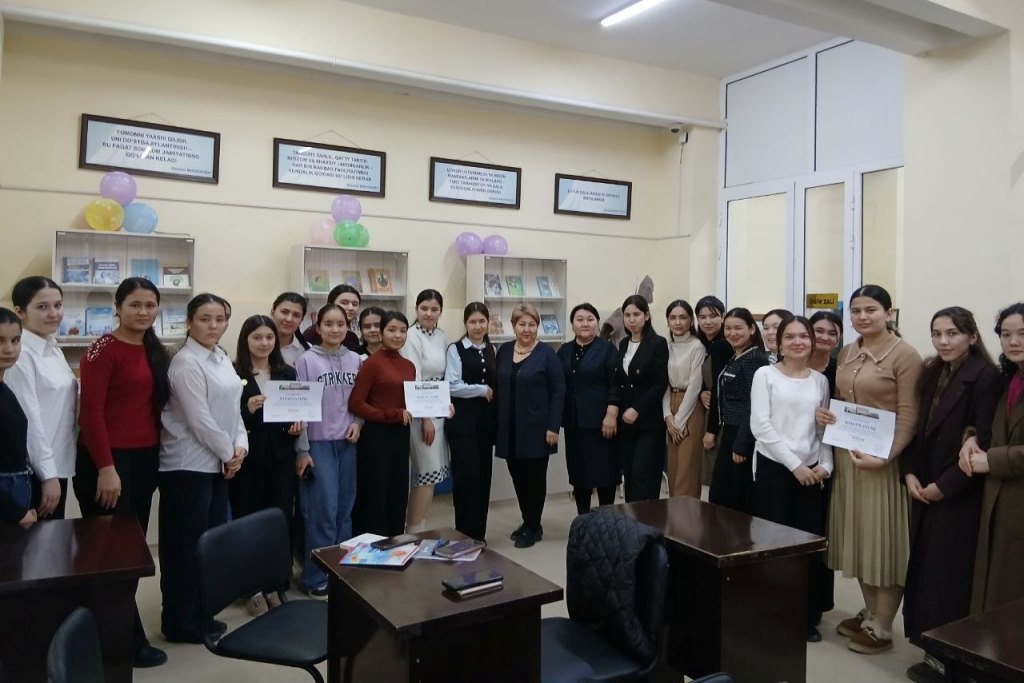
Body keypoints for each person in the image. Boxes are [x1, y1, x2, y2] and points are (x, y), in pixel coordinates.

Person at [817, 284, 922, 655]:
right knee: (858, 537)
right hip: (849, 458)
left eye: (871, 310)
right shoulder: (847, 351)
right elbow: (844, 399)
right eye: (856, 311)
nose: (862, 317)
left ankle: (884, 625)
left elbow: (909, 414)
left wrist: (887, 456)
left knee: (883, 541)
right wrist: (828, 414)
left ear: (888, 313)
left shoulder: (905, 355)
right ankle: (870, 612)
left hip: (882, 463)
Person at [74, 278, 170, 667]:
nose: (143, 312)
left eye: (150, 305)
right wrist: (106, 467)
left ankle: (121, 635)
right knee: (112, 556)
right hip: (108, 464)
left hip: (144, 460)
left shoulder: (155, 349)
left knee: (130, 553)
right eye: (134, 304)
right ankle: (119, 644)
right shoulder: (101, 350)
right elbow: (90, 415)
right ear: (118, 307)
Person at [901, 308, 999, 682]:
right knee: (924, 574)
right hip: (924, 486)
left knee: (948, 581)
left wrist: (944, 487)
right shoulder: (933, 371)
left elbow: (983, 441)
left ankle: (949, 660)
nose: (943, 341)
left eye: (952, 333)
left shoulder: (985, 377)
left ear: (972, 337)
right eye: (937, 333)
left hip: (958, 494)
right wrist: (909, 473)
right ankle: (931, 651)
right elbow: (917, 430)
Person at [158, 293, 247, 644]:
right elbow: (199, 419)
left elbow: (234, 410)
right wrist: (228, 453)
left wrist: (240, 448)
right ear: (189, 322)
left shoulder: (220, 357)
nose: (213, 325)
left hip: (218, 463)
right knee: (185, 547)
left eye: (220, 319)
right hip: (188, 466)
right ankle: (181, 622)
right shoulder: (185, 362)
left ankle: (201, 615)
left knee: (207, 545)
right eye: (205, 319)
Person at [750, 315, 832, 642]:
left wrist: (826, 465)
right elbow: (761, 426)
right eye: (790, 336)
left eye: (804, 336)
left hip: (811, 472)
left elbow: (824, 429)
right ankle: (774, 612)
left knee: (807, 547)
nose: (798, 342)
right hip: (775, 469)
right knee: (774, 546)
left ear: (812, 342)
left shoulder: (820, 381)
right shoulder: (765, 375)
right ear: (779, 343)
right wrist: (794, 465)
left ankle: (806, 615)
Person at [231, 314, 305, 610]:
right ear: (246, 340)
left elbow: (295, 412)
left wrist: (296, 426)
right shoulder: (234, 373)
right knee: (248, 522)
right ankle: (251, 588)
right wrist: (247, 409)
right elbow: (226, 418)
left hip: (281, 459)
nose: (264, 343)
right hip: (247, 462)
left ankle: (277, 583)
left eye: (269, 337)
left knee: (280, 520)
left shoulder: (286, 372)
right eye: (257, 337)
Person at [295, 304, 362, 598]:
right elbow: (299, 407)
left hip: (348, 443)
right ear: (318, 327)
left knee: (344, 512)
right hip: (318, 443)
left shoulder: (356, 360)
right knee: (322, 512)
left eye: (341, 324)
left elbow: (361, 400)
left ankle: (341, 571)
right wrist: (302, 449)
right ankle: (315, 578)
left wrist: (358, 423)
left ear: (348, 327)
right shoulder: (306, 360)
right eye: (329, 324)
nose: (335, 329)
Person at [962, 302, 1024, 616]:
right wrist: (971, 437)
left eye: (1022, 334)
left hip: (1014, 492)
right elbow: (987, 423)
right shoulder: (1009, 378)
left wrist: (994, 460)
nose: (1014, 341)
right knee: (997, 586)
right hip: (999, 498)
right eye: (1006, 334)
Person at [495, 304, 565, 548]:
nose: (527, 329)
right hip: (509, 429)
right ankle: (529, 521)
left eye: (532, 324)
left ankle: (533, 527)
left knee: (534, 480)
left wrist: (553, 426)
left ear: (538, 326)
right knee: (517, 477)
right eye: (522, 324)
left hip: (537, 429)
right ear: (513, 326)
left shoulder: (547, 354)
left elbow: (558, 391)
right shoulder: (504, 351)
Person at [6, 276, 75, 519]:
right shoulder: (20, 355)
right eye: (42, 307)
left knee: (53, 538)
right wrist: (48, 475)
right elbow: (29, 420)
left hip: (57, 463)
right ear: (20, 312)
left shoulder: (52, 348)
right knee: (36, 540)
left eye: (58, 305)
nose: (53, 313)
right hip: (35, 471)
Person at [349, 311, 415, 537]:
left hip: (401, 435)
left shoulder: (409, 365)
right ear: (381, 332)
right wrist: (390, 415)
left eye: (403, 331)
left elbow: (413, 402)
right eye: (392, 330)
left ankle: (395, 543)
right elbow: (356, 404)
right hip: (376, 437)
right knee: (376, 493)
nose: (398, 335)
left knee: (398, 493)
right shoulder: (372, 363)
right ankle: (373, 546)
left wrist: (440, 407)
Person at [557, 303, 620, 515]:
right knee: (579, 474)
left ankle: (606, 519)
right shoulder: (564, 350)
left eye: (590, 319)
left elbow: (615, 384)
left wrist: (611, 414)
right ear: (572, 324)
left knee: (604, 474)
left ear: (598, 323)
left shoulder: (607, 349)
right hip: (574, 422)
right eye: (580, 319)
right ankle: (583, 519)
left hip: (601, 423)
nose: (585, 324)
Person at [705, 307, 769, 515]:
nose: (732, 333)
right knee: (721, 494)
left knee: (735, 497)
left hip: (743, 434)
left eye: (738, 328)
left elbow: (754, 405)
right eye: (728, 328)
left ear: (752, 329)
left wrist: (741, 444)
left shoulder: (755, 359)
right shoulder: (737, 355)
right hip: (729, 430)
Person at [444, 302, 497, 539]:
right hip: (462, 425)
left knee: (483, 478)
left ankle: (479, 535)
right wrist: (481, 390)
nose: (477, 326)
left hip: (485, 424)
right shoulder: (455, 349)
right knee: (467, 478)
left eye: (482, 321)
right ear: (465, 324)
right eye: (472, 322)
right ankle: (464, 534)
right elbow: (452, 385)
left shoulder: (491, 348)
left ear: (488, 322)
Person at [400, 289, 450, 533]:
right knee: (426, 473)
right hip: (420, 413)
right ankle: (412, 530)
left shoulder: (440, 335)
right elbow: (414, 377)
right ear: (416, 309)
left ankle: (421, 526)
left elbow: (443, 374)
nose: (429, 313)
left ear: (441, 311)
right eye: (424, 308)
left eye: (434, 309)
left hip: (438, 410)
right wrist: (426, 418)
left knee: (433, 475)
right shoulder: (411, 336)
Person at [615, 295, 669, 503]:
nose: (631, 319)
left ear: (646, 316)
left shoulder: (658, 343)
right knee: (629, 472)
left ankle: (648, 520)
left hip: (649, 421)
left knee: (643, 473)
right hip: (626, 421)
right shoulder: (623, 344)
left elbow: (660, 383)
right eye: (627, 315)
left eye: (636, 314)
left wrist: (637, 408)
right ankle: (631, 519)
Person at [662, 299, 706, 498]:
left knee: (687, 469)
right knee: (673, 467)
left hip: (690, 407)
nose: (678, 322)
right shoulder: (666, 346)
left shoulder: (697, 346)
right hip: (670, 405)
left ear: (691, 321)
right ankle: (674, 514)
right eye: (673, 318)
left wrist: (679, 421)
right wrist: (667, 416)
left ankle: (687, 516)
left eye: (683, 317)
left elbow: (695, 386)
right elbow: (664, 384)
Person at [0, 307, 37, 528]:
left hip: (17, 493)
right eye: (0, 341)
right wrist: (15, 512)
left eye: (15, 340)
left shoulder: (6, 389)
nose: (9, 349)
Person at [696, 295, 730, 487]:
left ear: (723, 316)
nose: (707, 321)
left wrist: (711, 431)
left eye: (713, 316)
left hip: (719, 417)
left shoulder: (722, 345)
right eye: (702, 317)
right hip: (709, 411)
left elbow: (719, 388)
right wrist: (702, 391)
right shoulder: (706, 343)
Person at [303, 284, 360, 351]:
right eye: (344, 303)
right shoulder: (311, 335)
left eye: (355, 304)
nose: (351, 308)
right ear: (330, 304)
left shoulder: (353, 338)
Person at [270, 292, 309, 367]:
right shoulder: (257, 344)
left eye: (296, 315)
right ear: (272, 312)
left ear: (302, 320)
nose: (289, 319)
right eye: (284, 312)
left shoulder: (306, 351)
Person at [809, 311, 843, 395]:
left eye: (832, 334)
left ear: (839, 339)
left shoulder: (840, 371)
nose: (825, 338)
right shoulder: (791, 365)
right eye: (819, 331)